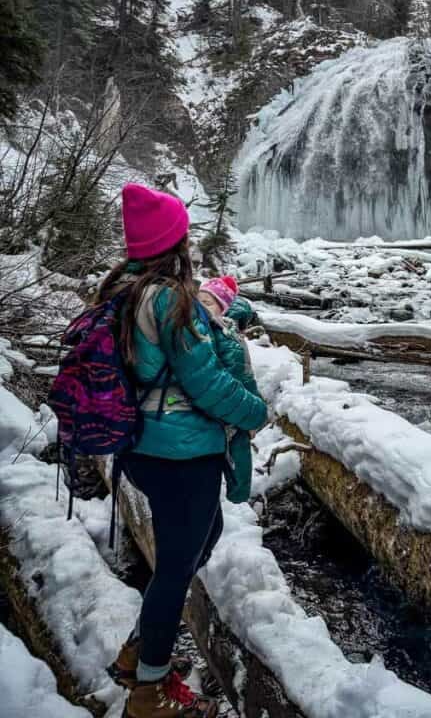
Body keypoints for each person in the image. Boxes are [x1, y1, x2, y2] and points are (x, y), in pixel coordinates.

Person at [103, 183, 267, 718]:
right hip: (178, 452)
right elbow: (206, 383)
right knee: (176, 567)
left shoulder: (121, 287)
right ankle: (148, 691)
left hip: (141, 446)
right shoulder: (170, 299)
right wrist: (255, 412)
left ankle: (137, 652)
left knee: (203, 538)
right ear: (172, 243)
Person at [197, 275, 260, 504]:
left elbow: (243, 375)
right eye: (199, 300)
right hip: (215, 407)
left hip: (231, 407)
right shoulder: (201, 329)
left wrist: (252, 409)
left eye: (208, 302)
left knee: (238, 455)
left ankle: (238, 501)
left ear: (222, 309)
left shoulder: (224, 336)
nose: (201, 306)